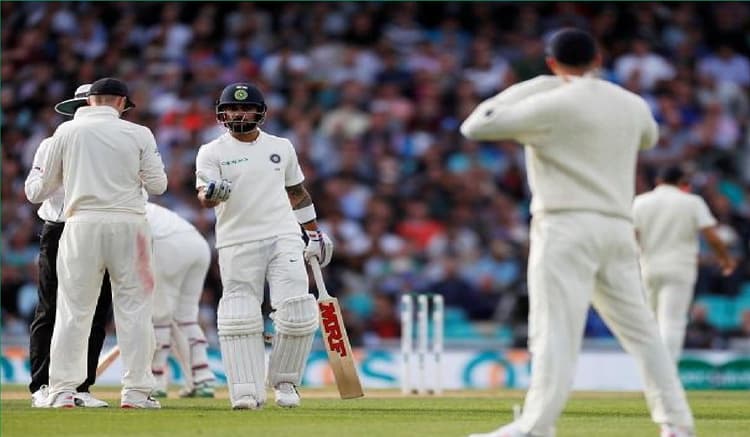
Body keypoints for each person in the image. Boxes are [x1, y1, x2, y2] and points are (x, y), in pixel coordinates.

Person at [460, 29, 695, 437]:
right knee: (644, 334)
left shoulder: (550, 102)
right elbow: (650, 136)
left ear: (552, 63)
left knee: (554, 330)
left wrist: (536, 84)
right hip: (617, 229)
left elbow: (477, 126)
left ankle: (537, 426)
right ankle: (676, 423)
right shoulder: (631, 103)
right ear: (598, 59)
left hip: (565, 226)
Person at [29, 77, 167, 408]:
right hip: (129, 224)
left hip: (81, 223)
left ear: (90, 100)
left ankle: (63, 390)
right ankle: (136, 392)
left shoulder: (65, 132)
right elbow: (158, 185)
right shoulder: (139, 133)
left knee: (73, 309)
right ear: (121, 103)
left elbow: (38, 191)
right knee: (134, 310)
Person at [195, 82, 333, 410]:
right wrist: (211, 194)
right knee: (240, 313)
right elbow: (203, 195)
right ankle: (245, 390)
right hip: (237, 239)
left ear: (260, 113)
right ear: (222, 113)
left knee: (297, 308)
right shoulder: (211, 151)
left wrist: (314, 234)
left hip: (283, 234)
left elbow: (296, 192)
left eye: (246, 108)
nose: (239, 114)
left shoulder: (281, 147)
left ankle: (285, 382)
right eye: (232, 108)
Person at [24, 84, 112, 408]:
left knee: (96, 310)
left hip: (100, 228)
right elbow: (34, 191)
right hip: (60, 228)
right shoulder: (52, 144)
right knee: (51, 306)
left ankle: (81, 387)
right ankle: (42, 386)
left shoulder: (117, 145)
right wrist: (65, 175)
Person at [633, 165, 736, 362]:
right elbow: (712, 237)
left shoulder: (640, 202)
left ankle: (650, 368)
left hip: (648, 268)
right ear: (682, 182)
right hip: (680, 268)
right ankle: (667, 370)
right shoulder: (692, 202)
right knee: (672, 322)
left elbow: (631, 236)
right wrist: (726, 260)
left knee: (651, 321)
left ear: (658, 181)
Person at [146, 200, 216, 398]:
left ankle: (156, 379)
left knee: (159, 316)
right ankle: (203, 378)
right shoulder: (148, 207)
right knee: (186, 318)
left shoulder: (122, 207)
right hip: (197, 244)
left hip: (168, 244)